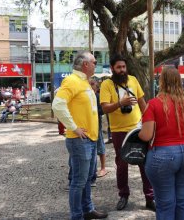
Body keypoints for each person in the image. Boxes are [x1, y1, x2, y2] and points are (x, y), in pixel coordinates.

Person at [138, 66, 184, 220]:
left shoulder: (153, 104)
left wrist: (137, 131)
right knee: (181, 200)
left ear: (161, 82)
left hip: (162, 155)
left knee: (165, 203)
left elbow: (146, 135)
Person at [52, 51, 108, 220]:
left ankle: (87, 210)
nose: (96, 64)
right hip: (80, 140)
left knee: (86, 180)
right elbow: (58, 105)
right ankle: (77, 215)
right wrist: (74, 127)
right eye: (94, 61)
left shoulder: (84, 82)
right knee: (78, 181)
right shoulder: (71, 81)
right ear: (85, 64)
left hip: (89, 139)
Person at [100, 54, 155, 211]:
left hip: (138, 128)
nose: (122, 70)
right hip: (119, 131)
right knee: (122, 163)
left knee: (144, 161)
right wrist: (120, 103)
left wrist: (149, 122)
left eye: (124, 67)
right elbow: (104, 108)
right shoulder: (107, 84)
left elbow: (142, 103)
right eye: (118, 67)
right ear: (112, 68)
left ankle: (150, 197)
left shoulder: (133, 79)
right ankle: (123, 195)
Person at [89, 78, 108, 178]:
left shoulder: (97, 97)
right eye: (89, 84)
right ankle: (92, 168)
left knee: (100, 146)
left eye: (93, 84)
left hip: (97, 125)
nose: (91, 86)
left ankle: (103, 167)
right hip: (88, 127)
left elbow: (102, 111)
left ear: (96, 87)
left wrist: (95, 111)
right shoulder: (86, 96)